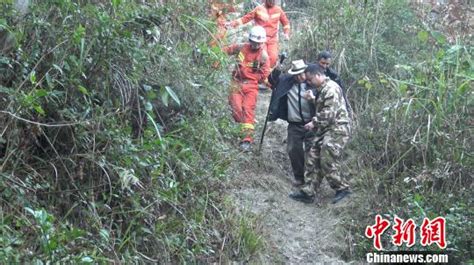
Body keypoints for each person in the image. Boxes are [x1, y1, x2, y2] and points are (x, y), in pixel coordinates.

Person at [289, 63, 352, 204]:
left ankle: (342, 188)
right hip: (325, 129)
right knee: (313, 157)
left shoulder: (331, 89)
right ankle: (309, 192)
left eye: (310, 79)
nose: (308, 83)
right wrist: (313, 100)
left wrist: (313, 122)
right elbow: (322, 106)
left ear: (318, 75)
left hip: (337, 128)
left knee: (326, 157)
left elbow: (329, 113)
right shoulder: (321, 89)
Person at [268, 59, 315, 187]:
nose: (300, 77)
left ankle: (311, 180)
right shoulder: (286, 82)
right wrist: (277, 69)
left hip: (312, 123)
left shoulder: (313, 85)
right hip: (294, 124)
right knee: (293, 150)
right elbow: (272, 80)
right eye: (297, 74)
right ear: (293, 75)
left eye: (302, 74)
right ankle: (299, 177)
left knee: (312, 152)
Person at [224, 26, 270, 151]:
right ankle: (241, 129)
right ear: (250, 40)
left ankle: (246, 140)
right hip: (236, 83)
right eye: (254, 42)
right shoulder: (241, 48)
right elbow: (224, 51)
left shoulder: (263, 56)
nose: (256, 45)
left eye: (258, 43)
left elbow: (264, 75)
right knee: (236, 109)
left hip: (251, 85)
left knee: (247, 109)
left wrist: (251, 75)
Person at [226, 0, 290, 68]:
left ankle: (266, 75)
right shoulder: (259, 9)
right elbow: (246, 18)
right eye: (270, 0)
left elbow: (286, 23)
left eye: (274, 0)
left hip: (272, 39)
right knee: (262, 57)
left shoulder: (278, 10)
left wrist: (286, 33)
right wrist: (232, 24)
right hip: (260, 40)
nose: (272, 2)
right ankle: (257, 73)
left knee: (273, 58)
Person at [315, 51, 352, 115]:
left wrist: (347, 107)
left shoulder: (333, 75)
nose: (324, 66)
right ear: (317, 61)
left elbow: (342, 92)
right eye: (322, 63)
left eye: (327, 64)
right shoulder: (310, 72)